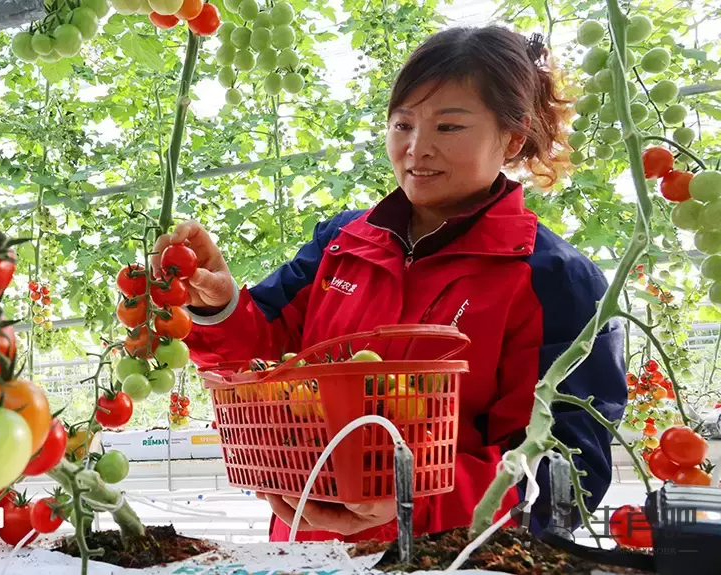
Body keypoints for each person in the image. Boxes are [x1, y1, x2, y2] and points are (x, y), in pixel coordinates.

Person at [151, 25, 627, 542]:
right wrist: (218, 306)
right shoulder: (341, 243)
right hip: (308, 550)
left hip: (452, 559)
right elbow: (262, 365)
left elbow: (567, 471)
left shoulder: (552, 279)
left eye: (448, 127)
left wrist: (412, 502)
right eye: (402, 124)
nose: (416, 149)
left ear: (512, 138)